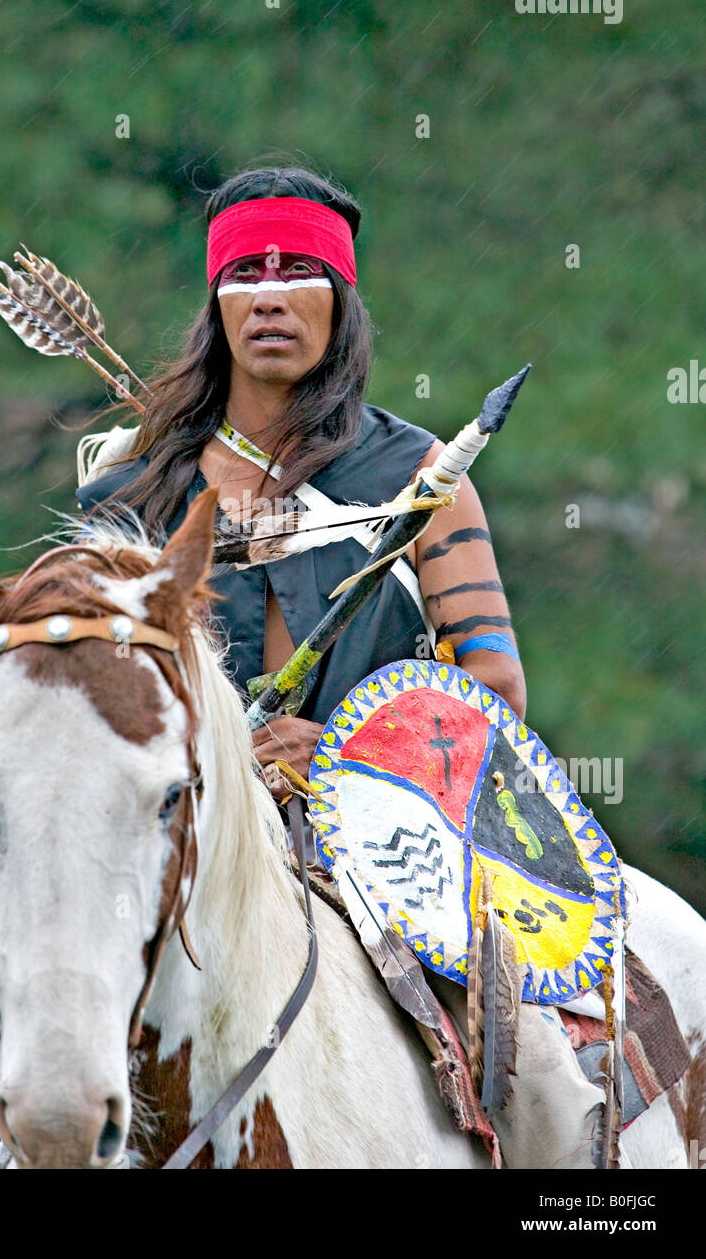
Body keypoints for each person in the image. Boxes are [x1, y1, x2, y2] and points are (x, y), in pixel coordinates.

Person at [76, 164, 606, 1168]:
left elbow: (497, 693)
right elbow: (85, 692)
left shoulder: (422, 480)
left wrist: (338, 748)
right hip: (175, 838)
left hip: (384, 829)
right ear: (217, 304)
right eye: (246, 273)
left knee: (538, 1069)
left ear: (340, 300)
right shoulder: (133, 494)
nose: (270, 293)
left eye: (298, 270)